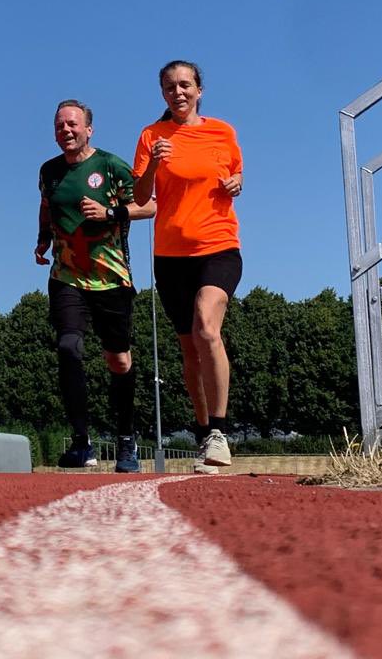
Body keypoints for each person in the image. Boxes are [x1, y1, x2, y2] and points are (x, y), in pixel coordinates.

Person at [133, 61, 243, 475]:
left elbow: (235, 174)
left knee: (206, 327)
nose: (177, 93)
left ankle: (220, 431)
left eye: (184, 85)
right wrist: (154, 165)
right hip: (171, 256)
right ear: (162, 94)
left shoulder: (223, 132)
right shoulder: (151, 136)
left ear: (199, 89)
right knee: (189, 348)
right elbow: (142, 194)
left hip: (218, 246)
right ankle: (203, 434)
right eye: (169, 87)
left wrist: (238, 182)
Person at [36, 99, 155, 472]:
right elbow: (45, 203)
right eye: (59, 126)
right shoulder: (49, 171)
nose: (66, 131)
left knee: (118, 361)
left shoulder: (110, 165)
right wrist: (42, 238)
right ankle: (81, 441)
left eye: (72, 124)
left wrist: (110, 213)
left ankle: (125, 439)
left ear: (89, 129)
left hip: (111, 278)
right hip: (66, 276)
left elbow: (149, 206)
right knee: (69, 347)